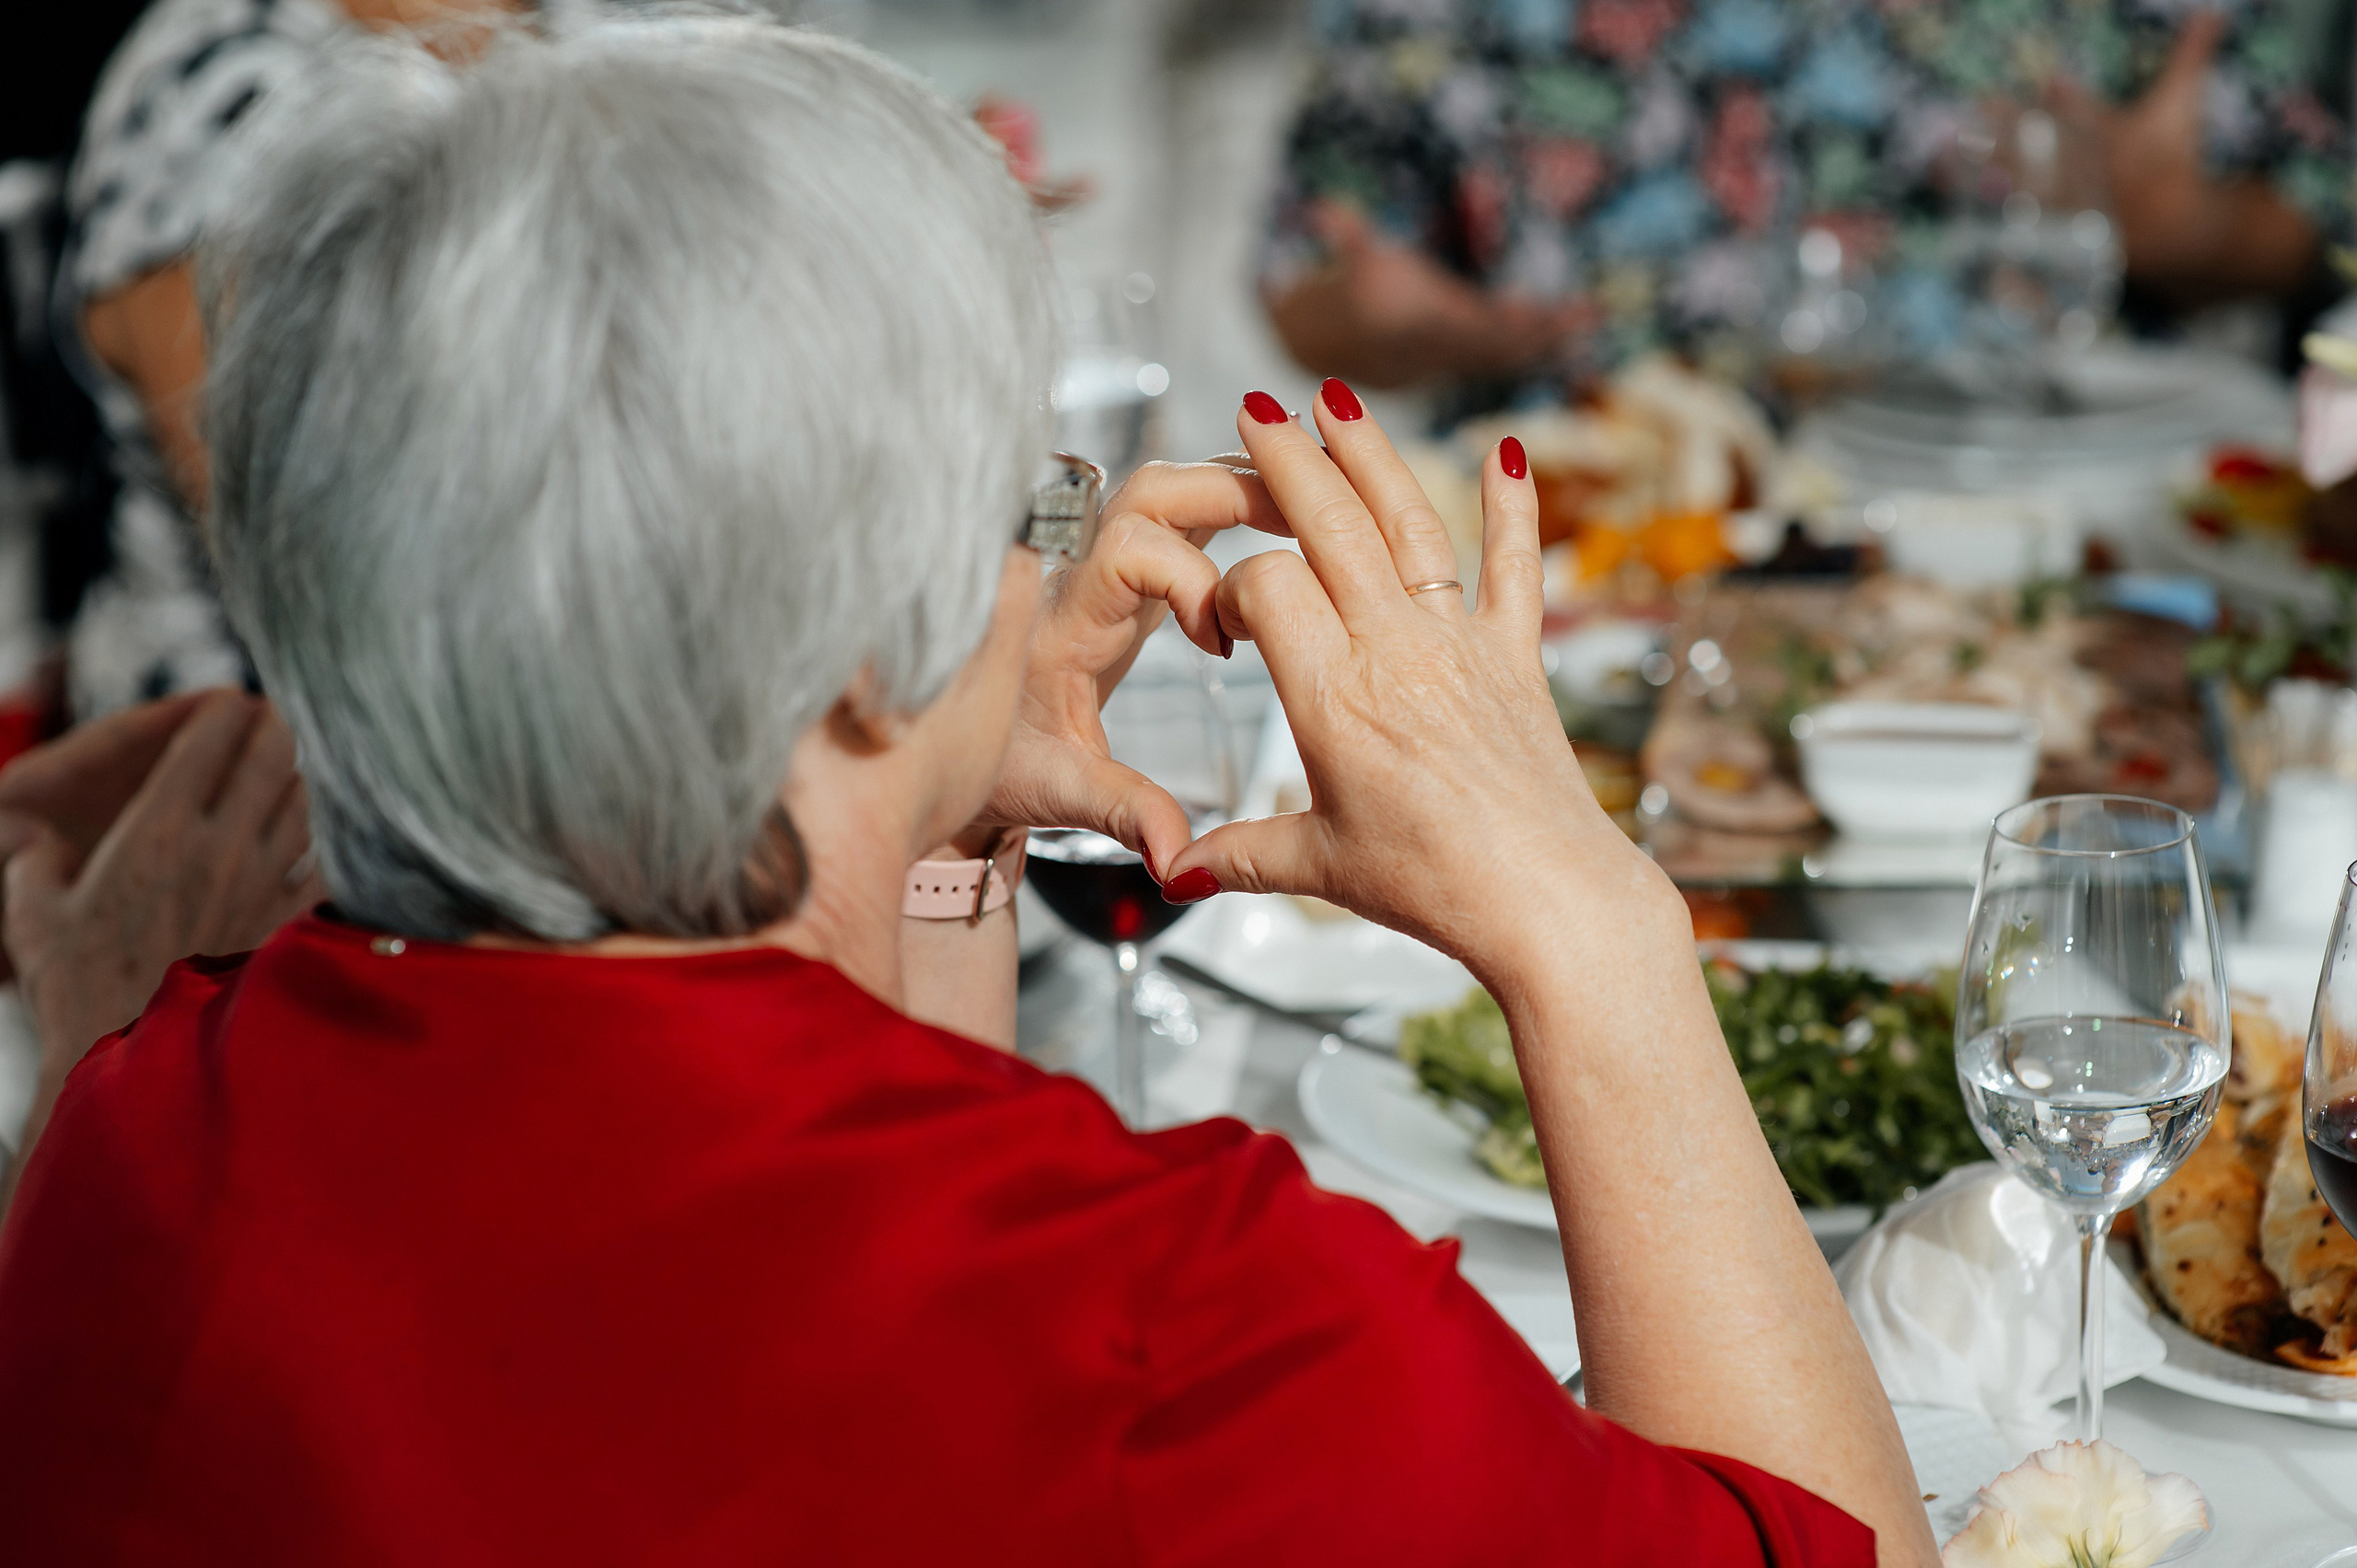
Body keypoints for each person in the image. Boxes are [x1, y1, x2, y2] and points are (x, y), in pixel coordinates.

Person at [0, 16, 1936, 1564]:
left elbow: (834, 1153)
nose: (1042, 550)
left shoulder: (130, 1128)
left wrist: (929, 813)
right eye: (1016, 490)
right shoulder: (1201, 1324)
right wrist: (1576, 911)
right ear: (854, 643)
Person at [1264, 0, 2352, 401]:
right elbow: (1307, 282)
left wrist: (2191, 233)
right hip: (1595, 531)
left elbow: (2313, 215)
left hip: (2044, 508)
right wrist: (1403, 330)